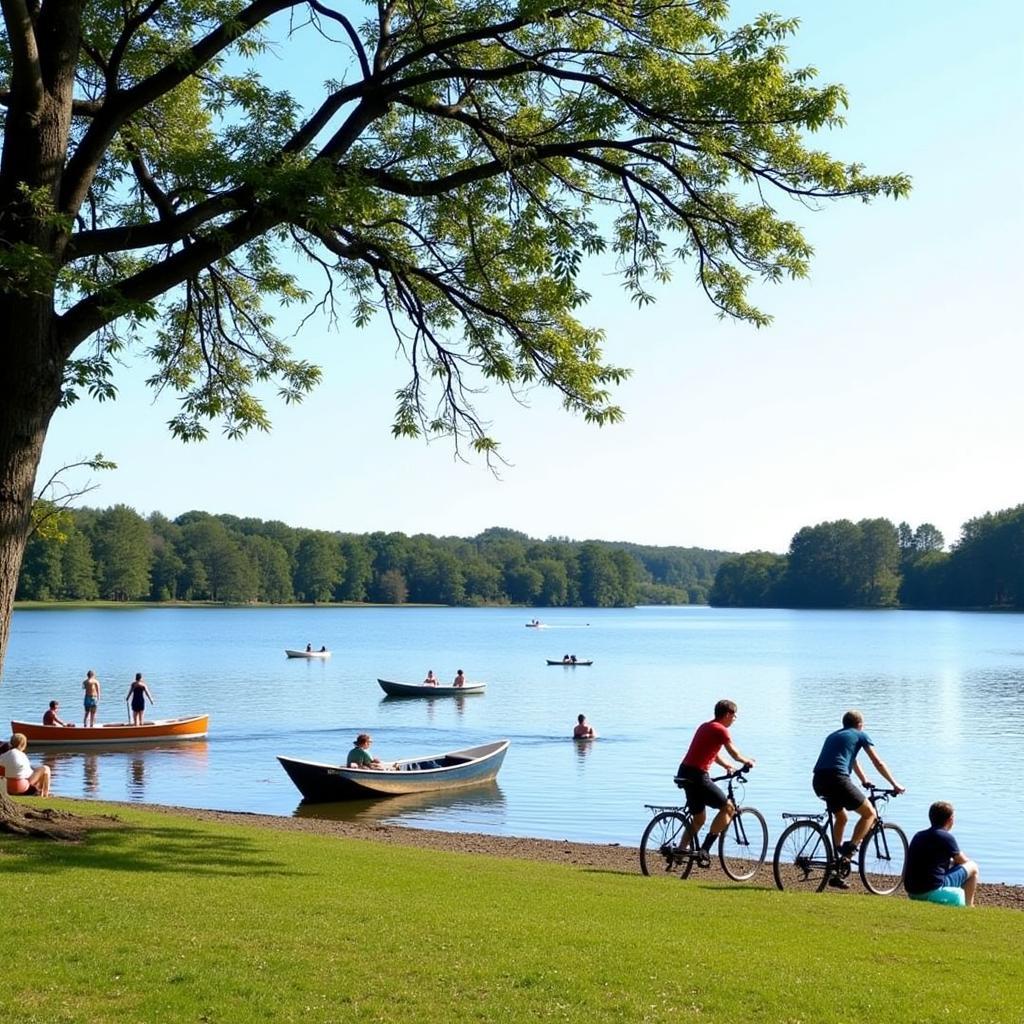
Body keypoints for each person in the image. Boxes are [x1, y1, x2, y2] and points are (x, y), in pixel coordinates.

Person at [812, 709, 905, 889]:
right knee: (869, 813)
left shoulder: (834, 736)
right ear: (860, 725)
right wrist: (895, 784)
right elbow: (877, 762)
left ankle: (837, 863)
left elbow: (852, 760)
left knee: (842, 817)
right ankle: (850, 849)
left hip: (818, 780)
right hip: (838, 779)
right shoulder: (860, 735)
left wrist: (864, 780)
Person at [676, 699, 755, 867]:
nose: (735, 718)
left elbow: (712, 752)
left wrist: (726, 765)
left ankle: (681, 851)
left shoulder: (706, 726)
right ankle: (705, 849)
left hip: (684, 772)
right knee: (728, 808)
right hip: (698, 775)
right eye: (735, 715)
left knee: (699, 819)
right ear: (727, 714)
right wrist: (747, 761)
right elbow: (735, 753)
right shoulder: (721, 730)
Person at [905, 801, 979, 907]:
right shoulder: (946, 837)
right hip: (932, 890)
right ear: (950, 819)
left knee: (953, 864)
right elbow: (963, 861)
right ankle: (969, 906)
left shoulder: (918, 835)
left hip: (912, 892)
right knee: (973, 867)